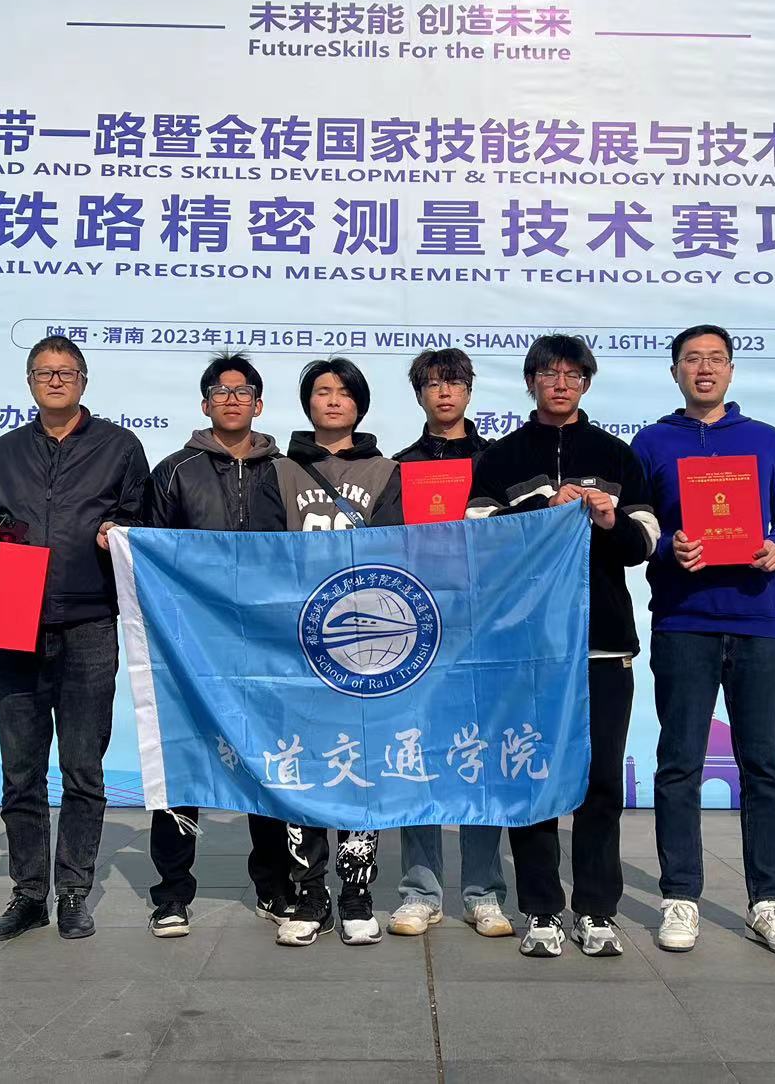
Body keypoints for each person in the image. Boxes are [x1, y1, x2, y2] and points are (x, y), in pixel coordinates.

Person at [0, 336, 150, 942]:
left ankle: (73, 891)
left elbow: (144, 519)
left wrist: (119, 530)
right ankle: (28, 894)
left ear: (84, 381)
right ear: (30, 383)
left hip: (90, 621)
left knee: (83, 767)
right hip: (13, 619)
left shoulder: (119, 447)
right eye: (44, 372)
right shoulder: (2, 453)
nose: (56, 380)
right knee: (21, 770)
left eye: (66, 372)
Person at [468, 335, 659, 959]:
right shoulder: (501, 457)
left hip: (603, 644)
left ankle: (597, 910)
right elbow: (478, 541)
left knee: (602, 782)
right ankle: (542, 910)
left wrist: (608, 519)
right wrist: (543, 509)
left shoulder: (616, 454)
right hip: (526, 647)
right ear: (530, 382)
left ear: (586, 383)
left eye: (572, 374)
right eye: (548, 373)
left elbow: (644, 544)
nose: (560, 383)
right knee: (533, 780)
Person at [630, 324, 775, 958]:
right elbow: (639, 526)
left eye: (715, 358)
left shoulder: (764, 439)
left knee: (763, 765)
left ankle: (769, 902)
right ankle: (680, 896)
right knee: (679, 762)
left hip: (757, 619)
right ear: (674, 371)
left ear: (731, 370)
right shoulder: (652, 442)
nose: (703, 368)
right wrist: (667, 546)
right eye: (691, 359)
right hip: (684, 620)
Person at [141, 352, 296, 941]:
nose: (232, 399)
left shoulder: (286, 471)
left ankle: (274, 887)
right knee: (183, 764)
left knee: (268, 762)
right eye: (221, 391)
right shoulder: (174, 471)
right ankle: (172, 894)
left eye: (243, 391)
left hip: (268, 645)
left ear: (259, 403)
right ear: (204, 403)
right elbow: (150, 550)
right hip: (191, 645)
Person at [271, 357, 403, 946]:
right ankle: (308, 896)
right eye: (321, 391)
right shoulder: (278, 470)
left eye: (343, 392)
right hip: (297, 644)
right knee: (302, 766)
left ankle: (356, 894)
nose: (332, 400)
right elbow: (262, 554)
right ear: (307, 402)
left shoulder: (386, 471)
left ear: (359, 404)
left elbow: (397, 551)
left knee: (358, 768)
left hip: (363, 648)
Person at [386, 348, 510, 941]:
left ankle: (484, 892)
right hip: (419, 626)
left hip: (485, 625)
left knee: (480, 754)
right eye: (432, 384)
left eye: (454, 382)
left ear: (469, 390)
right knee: (418, 755)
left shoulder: (500, 461)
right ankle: (420, 891)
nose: (444, 393)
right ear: (419, 395)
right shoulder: (398, 467)